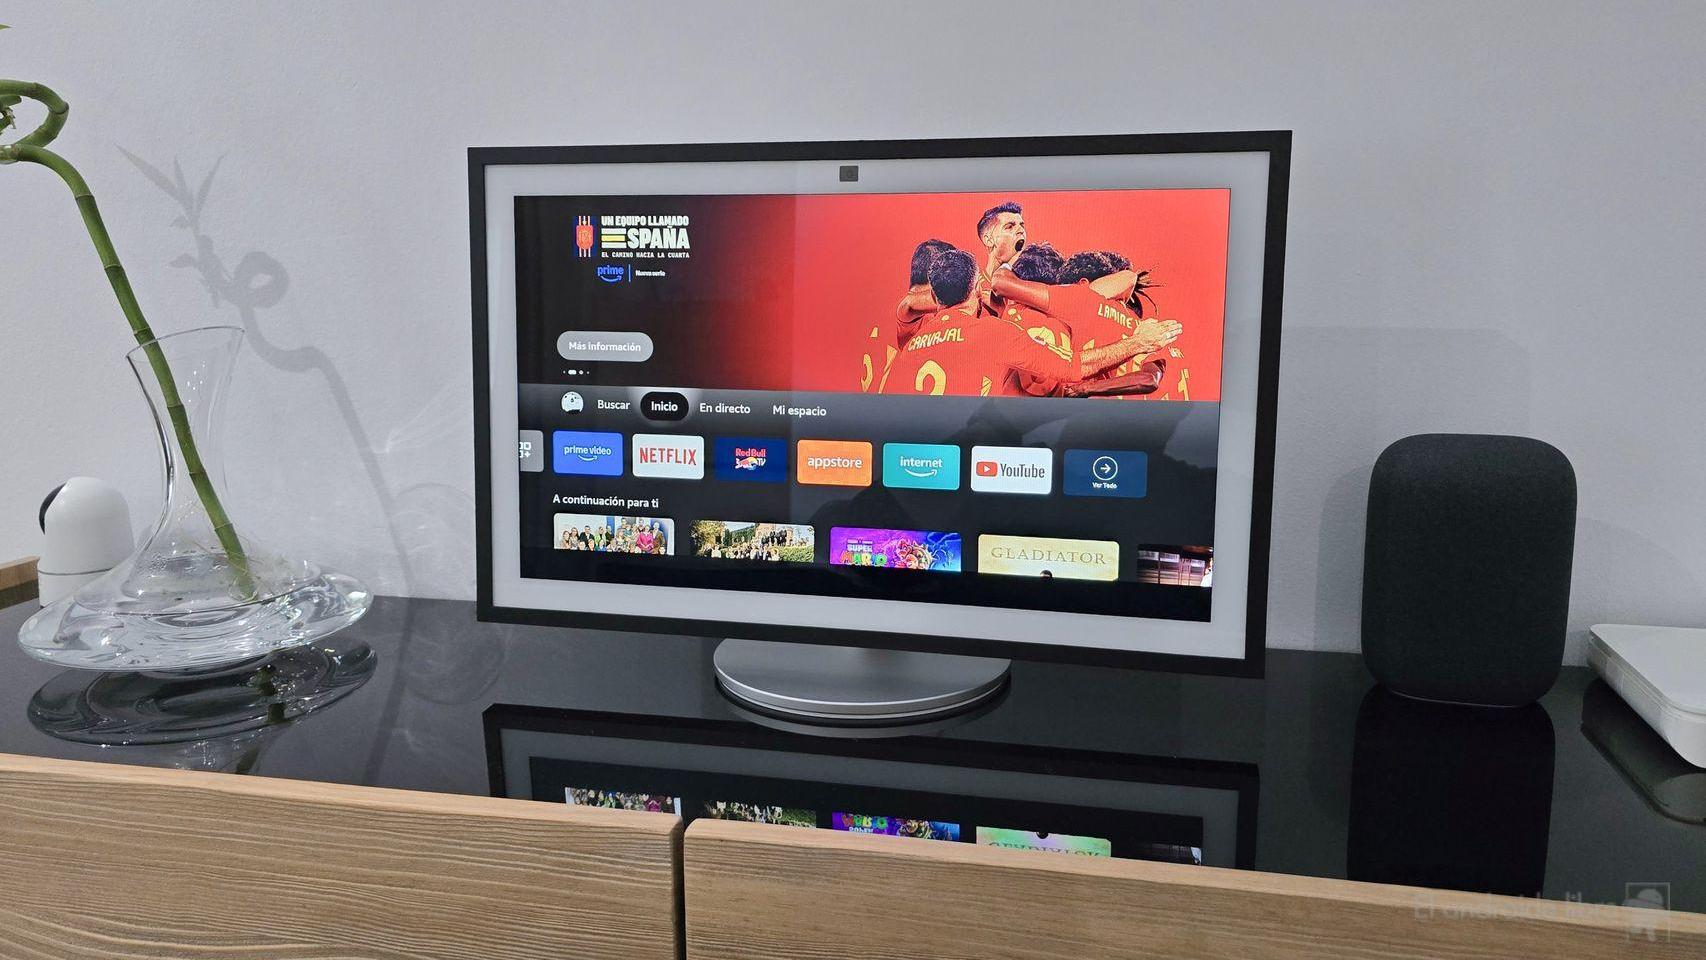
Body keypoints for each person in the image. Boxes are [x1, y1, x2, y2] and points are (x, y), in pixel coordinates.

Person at [990, 248, 1180, 397]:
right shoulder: (1148, 328)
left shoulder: (1077, 300)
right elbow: (1149, 379)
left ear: (1081, 283)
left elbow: (1001, 285)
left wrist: (1007, 262)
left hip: (1066, 415)